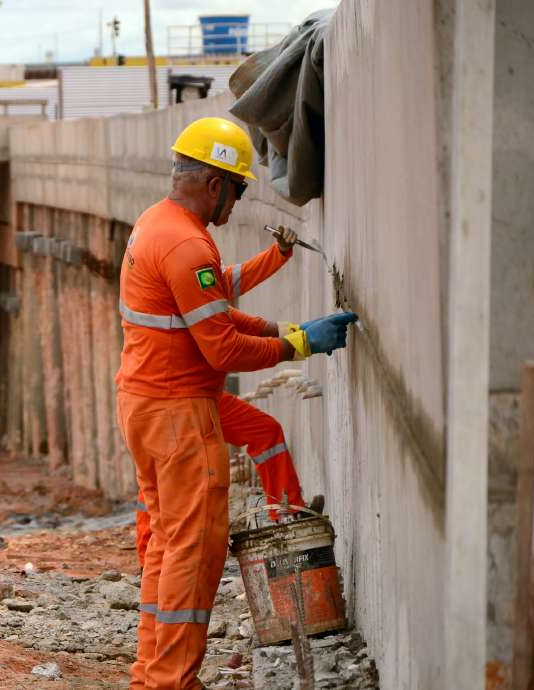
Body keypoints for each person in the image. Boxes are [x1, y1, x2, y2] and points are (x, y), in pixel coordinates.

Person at [116, 116, 357, 690]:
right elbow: (221, 345)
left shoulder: (158, 224)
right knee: (193, 551)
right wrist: (297, 343)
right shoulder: (184, 242)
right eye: (240, 188)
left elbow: (215, 310)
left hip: (148, 403)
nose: (239, 200)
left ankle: (153, 675)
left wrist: (289, 328)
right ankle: (172, 680)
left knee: (168, 542)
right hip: (179, 410)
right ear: (214, 182)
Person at [132, 224, 325, 563]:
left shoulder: (191, 277)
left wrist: (278, 258)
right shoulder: (178, 271)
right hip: (173, 399)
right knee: (163, 479)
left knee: (265, 432)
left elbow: (232, 302)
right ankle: (152, 558)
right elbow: (230, 347)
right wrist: (296, 344)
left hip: (201, 394)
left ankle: (289, 514)